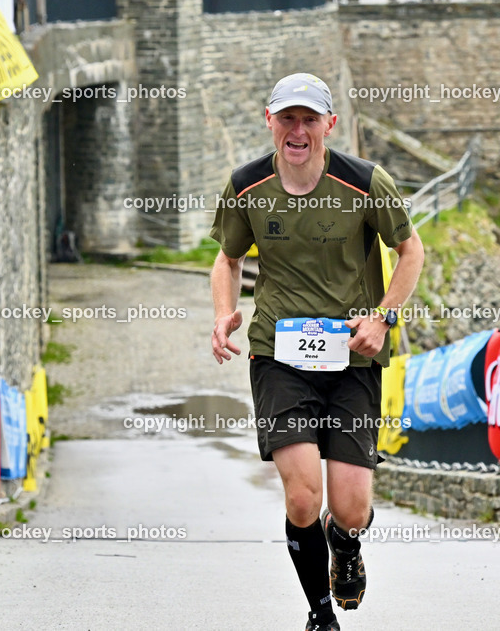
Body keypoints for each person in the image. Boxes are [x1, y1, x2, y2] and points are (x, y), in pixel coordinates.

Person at [210, 73, 424, 631]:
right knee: (302, 496)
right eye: (287, 119)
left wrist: (383, 317)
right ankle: (320, 613)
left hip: (353, 356)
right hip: (279, 356)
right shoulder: (246, 186)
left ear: (329, 125)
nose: (297, 130)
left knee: (350, 507)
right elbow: (229, 259)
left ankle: (344, 543)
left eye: (309, 119)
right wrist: (222, 313)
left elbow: (410, 250)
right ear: (270, 121)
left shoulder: (364, 182)